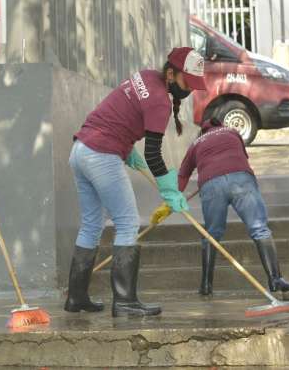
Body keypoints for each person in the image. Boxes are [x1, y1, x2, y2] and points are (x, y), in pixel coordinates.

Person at [64, 47, 206, 317]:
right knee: (127, 222)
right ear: (171, 73)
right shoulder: (160, 101)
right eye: (187, 82)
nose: (189, 90)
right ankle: (125, 302)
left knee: (91, 225)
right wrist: (169, 190)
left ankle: (77, 298)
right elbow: (153, 153)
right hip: (102, 154)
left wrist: (127, 147)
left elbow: (120, 113)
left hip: (81, 150)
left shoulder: (145, 77)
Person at [153, 118, 289, 296]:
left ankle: (206, 287)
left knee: (211, 234)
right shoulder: (231, 132)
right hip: (241, 179)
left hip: (211, 185)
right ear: (219, 125)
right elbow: (241, 158)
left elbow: (182, 176)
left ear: (202, 132)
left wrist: (171, 200)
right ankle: (276, 280)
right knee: (260, 229)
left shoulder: (196, 144)